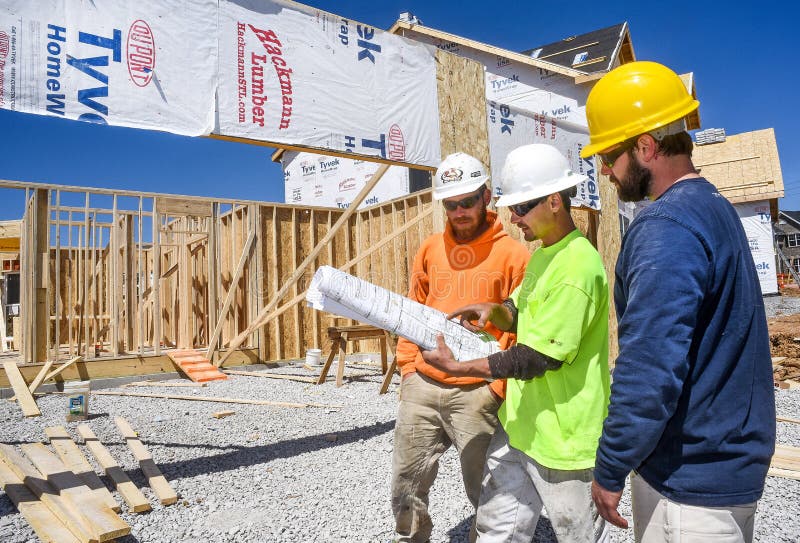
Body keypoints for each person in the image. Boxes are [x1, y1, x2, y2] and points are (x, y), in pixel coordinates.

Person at [579, 61, 776, 542]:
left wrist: (610, 467)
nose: (604, 169)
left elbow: (649, 367)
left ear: (645, 146)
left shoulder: (666, 227)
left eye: (609, 154)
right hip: (726, 469)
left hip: (689, 488)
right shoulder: (714, 208)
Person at [422, 143, 610, 542]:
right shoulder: (545, 254)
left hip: (564, 441)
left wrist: (458, 368)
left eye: (521, 208)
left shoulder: (577, 266)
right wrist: (494, 309)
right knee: (496, 530)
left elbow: (536, 358)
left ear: (555, 201)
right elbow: (521, 310)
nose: (512, 217)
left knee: (575, 534)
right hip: (521, 428)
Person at [391, 152, 529, 543]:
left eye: (467, 201)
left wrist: (495, 387)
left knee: (486, 491)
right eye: (451, 205)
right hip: (424, 383)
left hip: (477, 392)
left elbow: (523, 326)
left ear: (486, 196)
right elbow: (412, 309)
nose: (460, 211)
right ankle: (413, 537)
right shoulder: (430, 249)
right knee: (406, 484)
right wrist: (407, 368)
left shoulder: (514, 255)